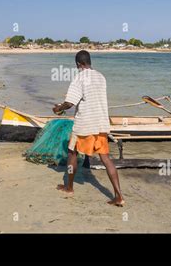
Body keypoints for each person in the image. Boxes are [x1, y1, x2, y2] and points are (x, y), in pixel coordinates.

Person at [53, 50, 125, 206]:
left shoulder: (79, 78)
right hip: (101, 124)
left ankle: (69, 188)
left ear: (78, 64)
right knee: (105, 158)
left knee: (72, 153)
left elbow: (70, 103)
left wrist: (58, 108)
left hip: (85, 123)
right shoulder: (101, 77)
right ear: (89, 62)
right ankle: (119, 196)